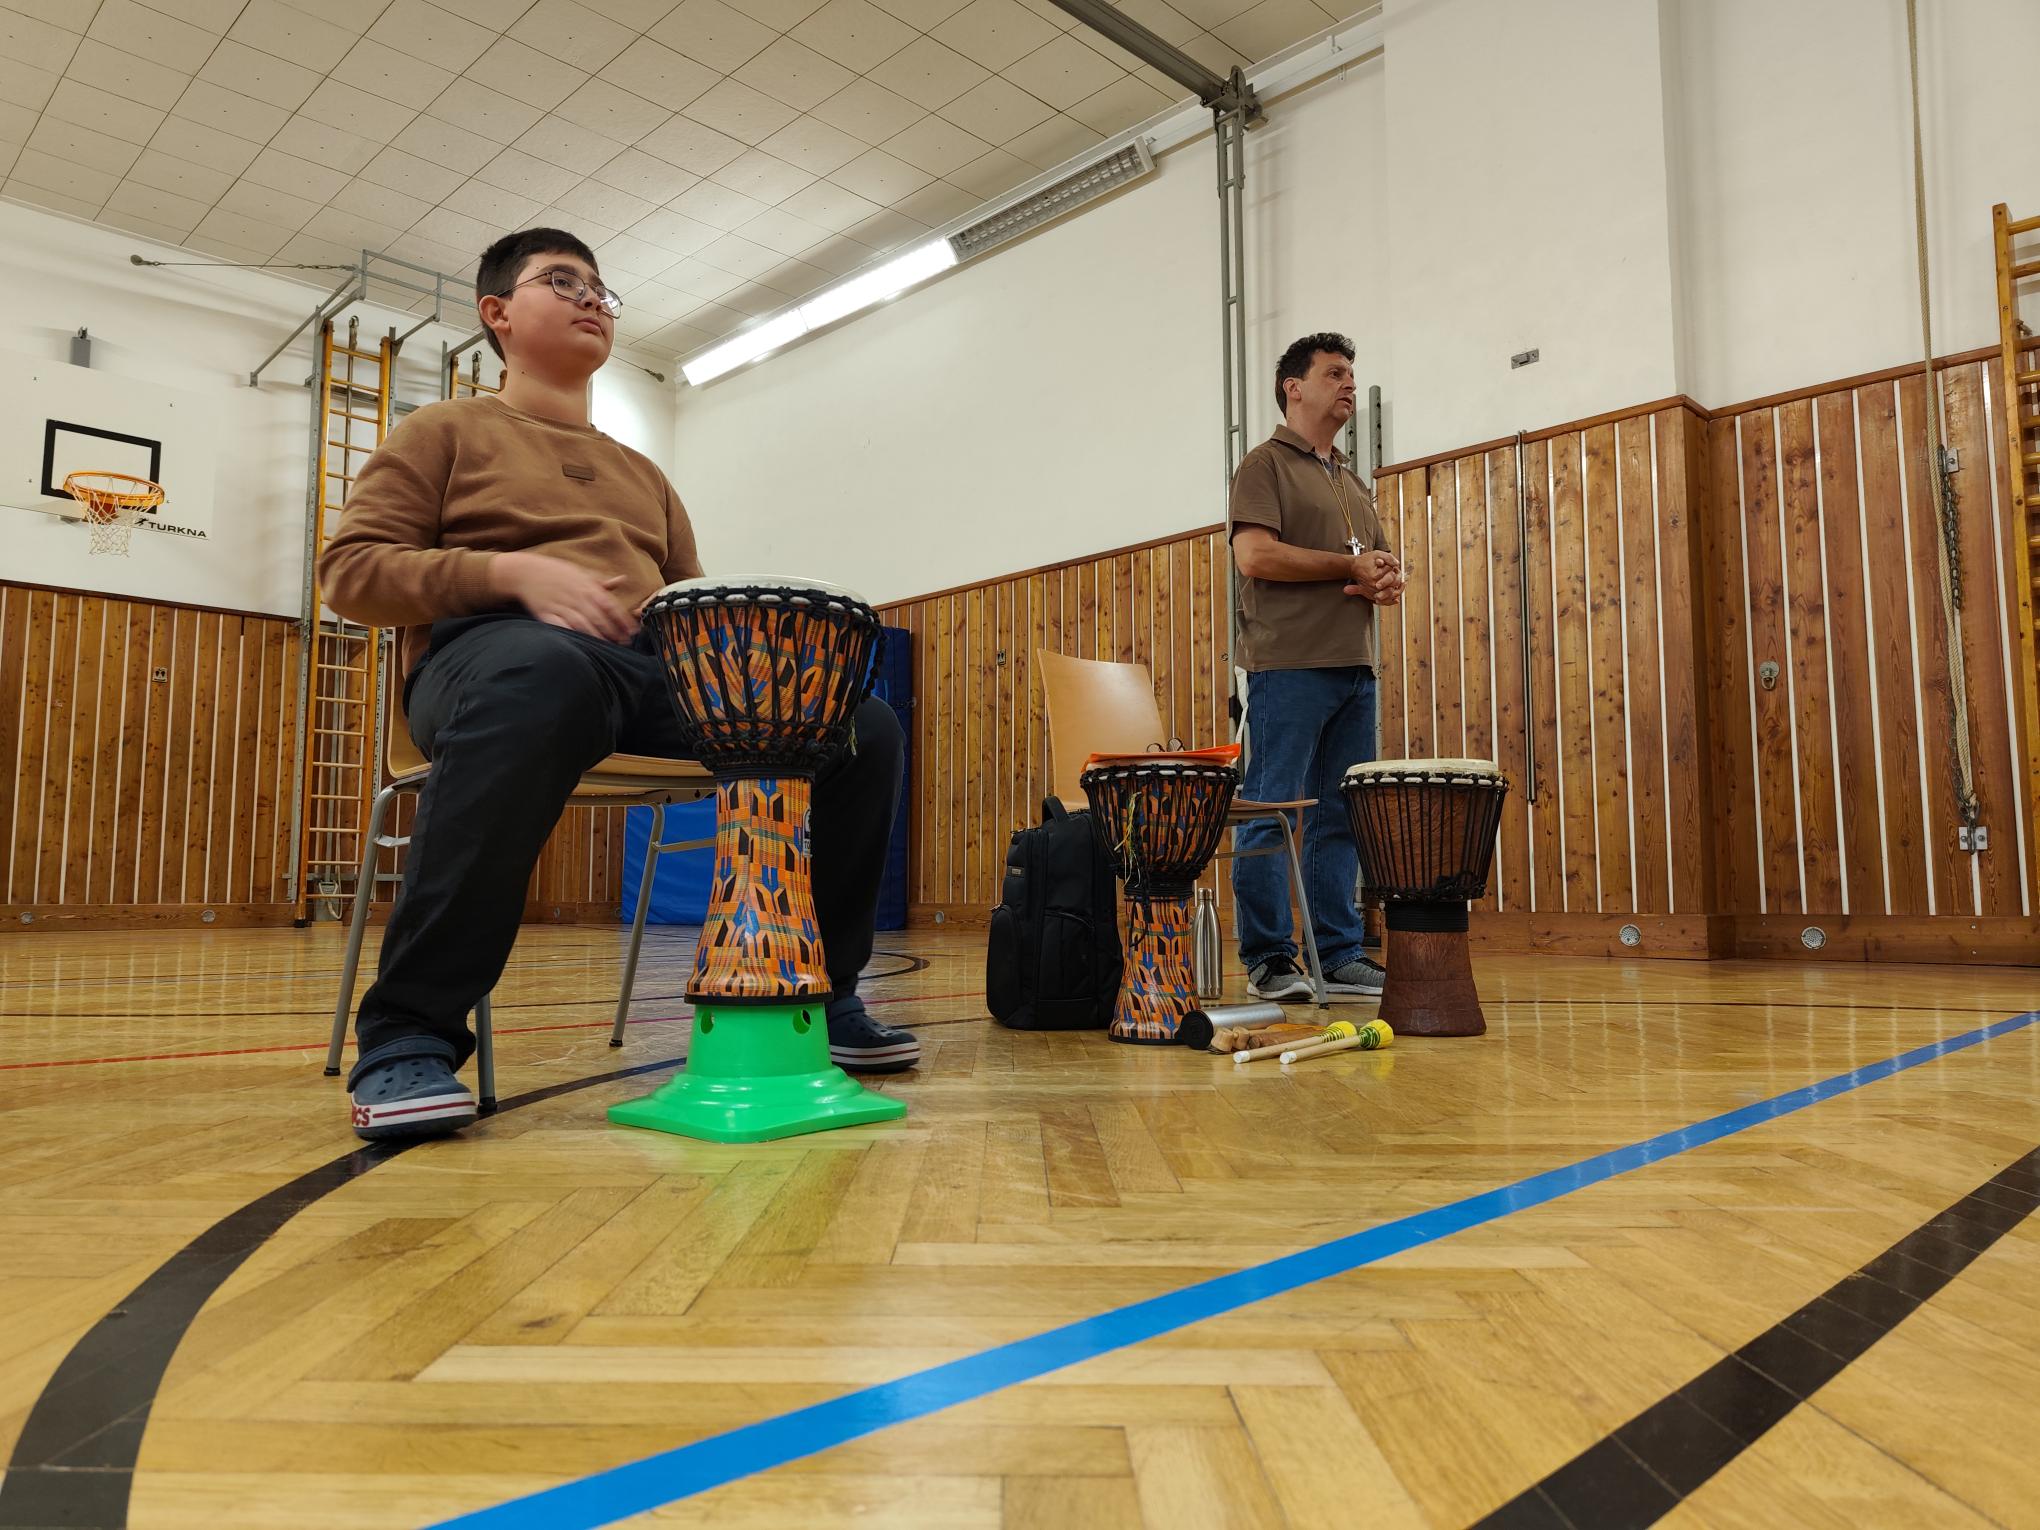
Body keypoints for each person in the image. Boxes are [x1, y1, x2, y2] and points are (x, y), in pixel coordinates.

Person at [321, 228, 916, 1142]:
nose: (593, 299)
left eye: (601, 289)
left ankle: (820, 1001)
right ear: (498, 315)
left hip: (648, 671)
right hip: (490, 656)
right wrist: (511, 577)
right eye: (562, 282)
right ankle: (408, 1035)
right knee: (542, 672)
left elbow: (690, 597)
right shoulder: (442, 431)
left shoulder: (647, 475)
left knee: (857, 724)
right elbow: (352, 574)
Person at [1227, 331, 1405, 1001]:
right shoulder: (1264, 466)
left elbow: (1379, 563)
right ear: (1293, 387)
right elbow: (1256, 557)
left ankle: (1337, 954)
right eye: (1334, 374)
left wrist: (1386, 579)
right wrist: (1348, 567)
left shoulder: (1354, 481)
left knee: (1339, 817)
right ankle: (1270, 959)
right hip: (1287, 667)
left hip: (1355, 670)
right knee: (1274, 812)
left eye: (1352, 376)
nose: (1349, 385)